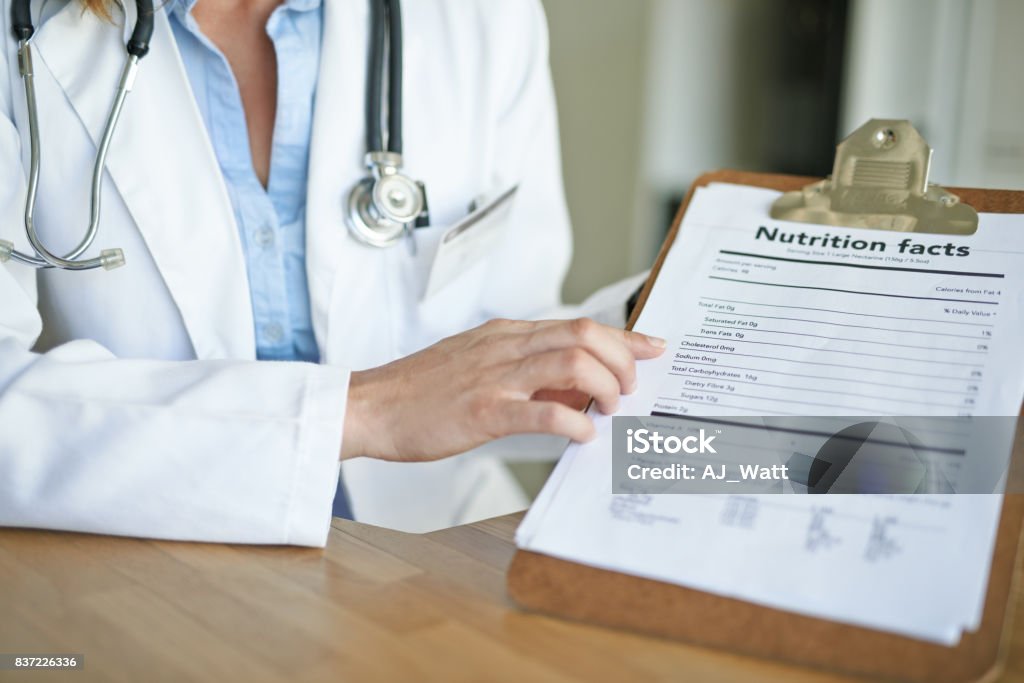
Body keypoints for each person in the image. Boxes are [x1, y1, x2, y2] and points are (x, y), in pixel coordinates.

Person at [0, 0, 663, 546]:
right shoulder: (22, 33)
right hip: (152, 568)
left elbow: (505, 331)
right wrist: (366, 410)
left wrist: (658, 313)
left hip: (432, 552)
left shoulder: (484, 18)